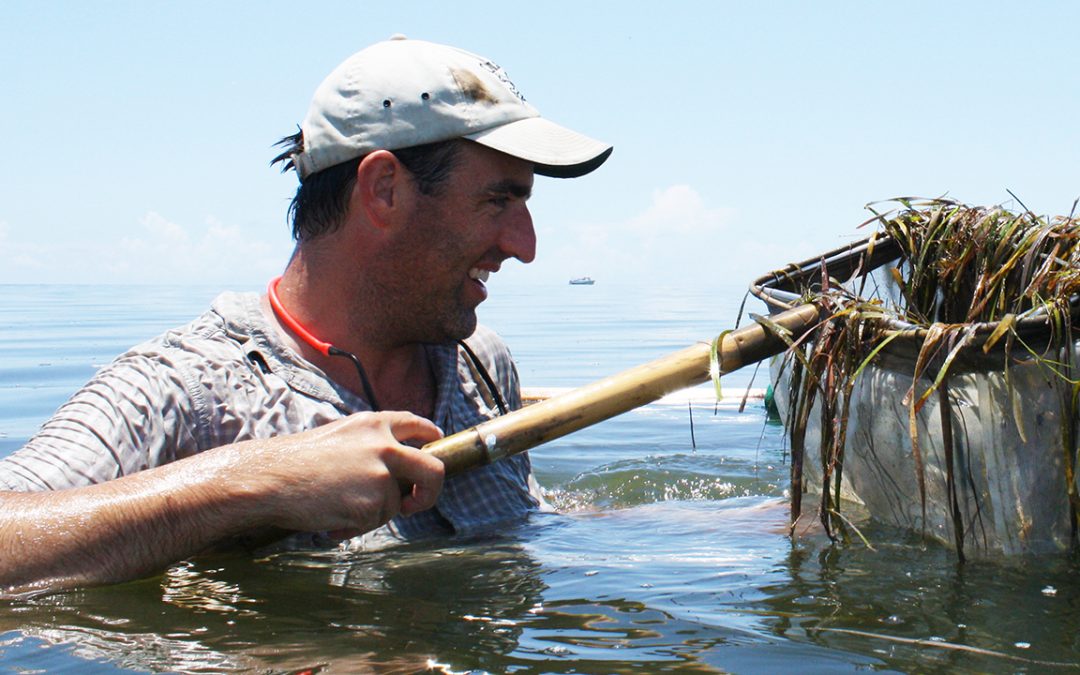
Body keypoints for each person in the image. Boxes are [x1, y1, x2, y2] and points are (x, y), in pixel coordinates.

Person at [0, 36, 611, 596]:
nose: (525, 245)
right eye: (498, 199)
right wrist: (253, 483)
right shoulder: (181, 391)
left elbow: (530, 524)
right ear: (384, 191)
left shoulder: (482, 362)